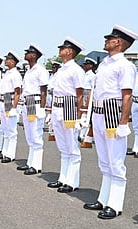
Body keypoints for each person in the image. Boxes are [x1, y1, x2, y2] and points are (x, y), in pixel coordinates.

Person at [83, 25, 138, 219]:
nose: (106, 40)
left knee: (115, 162)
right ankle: (104, 198)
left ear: (119, 42)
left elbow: (126, 96)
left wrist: (123, 123)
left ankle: (115, 205)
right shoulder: (105, 63)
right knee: (104, 161)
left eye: (110, 38)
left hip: (111, 114)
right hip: (98, 113)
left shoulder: (125, 65)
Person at [46, 37, 85, 193]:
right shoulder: (61, 70)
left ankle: (72, 181)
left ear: (70, 51)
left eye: (63, 48)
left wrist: (78, 115)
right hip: (57, 107)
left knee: (72, 146)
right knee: (63, 147)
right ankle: (63, 178)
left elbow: (80, 94)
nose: (60, 50)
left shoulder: (76, 70)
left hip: (69, 107)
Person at [17, 44, 49, 175]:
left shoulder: (41, 70)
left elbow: (44, 91)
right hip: (27, 103)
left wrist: (42, 108)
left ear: (34, 55)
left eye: (28, 52)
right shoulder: (29, 71)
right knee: (29, 135)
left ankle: (36, 165)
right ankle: (30, 162)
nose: (25, 54)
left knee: (36, 135)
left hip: (35, 103)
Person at [0, 51, 22, 163]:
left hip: (9, 100)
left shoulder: (16, 74)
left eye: (7, 59)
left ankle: (10, 154)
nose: (5, 61)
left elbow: (17, 92)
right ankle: (4, 151)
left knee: (11, 130)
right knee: (5, 128)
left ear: (13, 61)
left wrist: (14, 108)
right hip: (3, 100)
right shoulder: (7, 73)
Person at [79, 57, 98, 148]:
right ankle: (82, 134)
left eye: (86, 64)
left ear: (91, 66)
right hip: (83, 93)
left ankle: (84, 135)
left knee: (86, 116)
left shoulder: (92, 76)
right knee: (81, 114)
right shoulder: (84, 74)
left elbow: (92, 88)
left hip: (88, 94)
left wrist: (89, 100)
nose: (85, 66)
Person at [46, 61, 61, 141]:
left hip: (55, 95)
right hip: (49, 94)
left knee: (54, 113)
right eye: (52, 67)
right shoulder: (51, 76)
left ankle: (53, 130)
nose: (53, 69)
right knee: (50, 112)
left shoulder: (58, 76)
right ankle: (51, 129)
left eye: (54, 67)